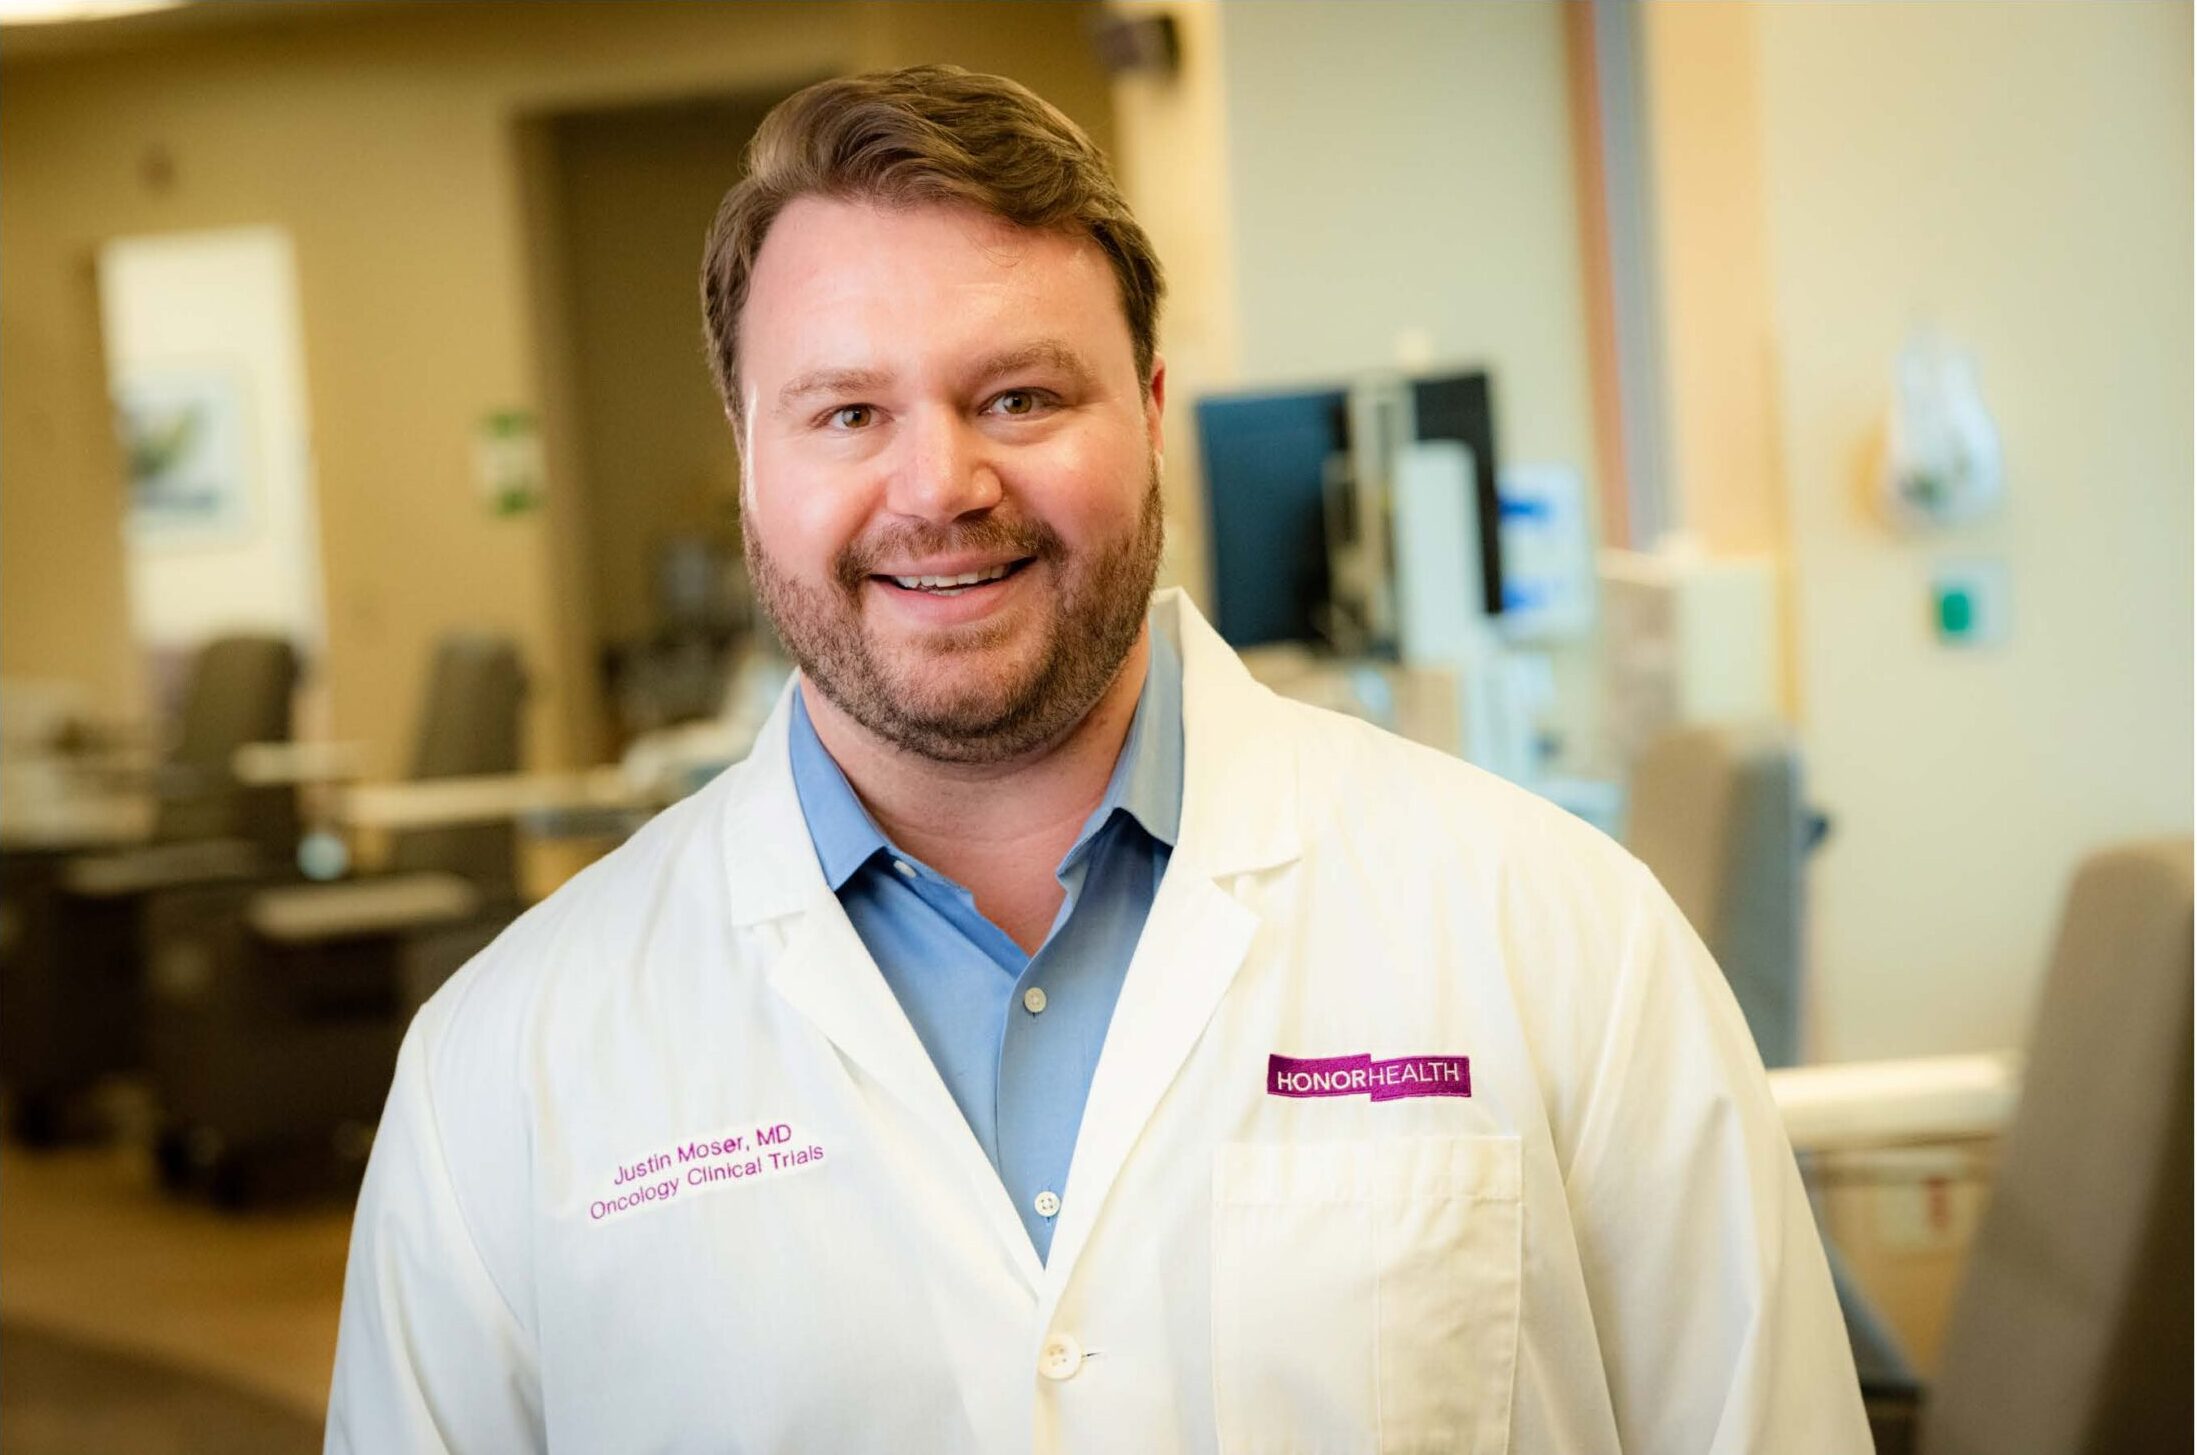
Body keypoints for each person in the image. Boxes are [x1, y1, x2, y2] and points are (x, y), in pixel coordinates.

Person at [327, 65, 1869, 1453]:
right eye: (846, 411)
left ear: (1142, 415)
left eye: (1019, 395)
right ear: (749, 459)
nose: (937, 484)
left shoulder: (1558, 937)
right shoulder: (509, 1067)